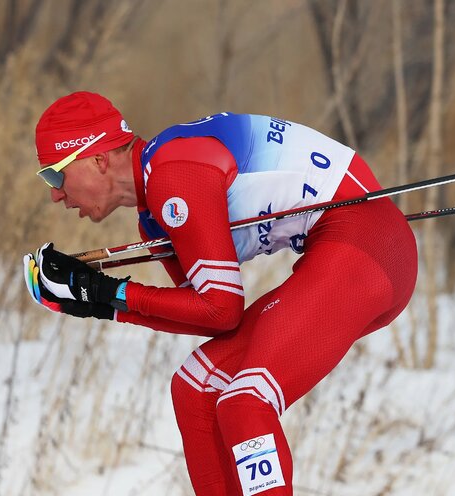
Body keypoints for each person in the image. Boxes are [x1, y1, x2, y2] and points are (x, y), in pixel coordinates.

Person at [22, 91, 418, 495]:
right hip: (351, 251)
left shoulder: (173, 173)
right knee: (195, 388)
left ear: (97, 159)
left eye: (54, 175)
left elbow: (222, 309)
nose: (55, 194)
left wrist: (107, 290)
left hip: (367, 243)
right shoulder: (155, 219)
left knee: (246, 402)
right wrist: (101, 303)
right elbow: (204, 314)